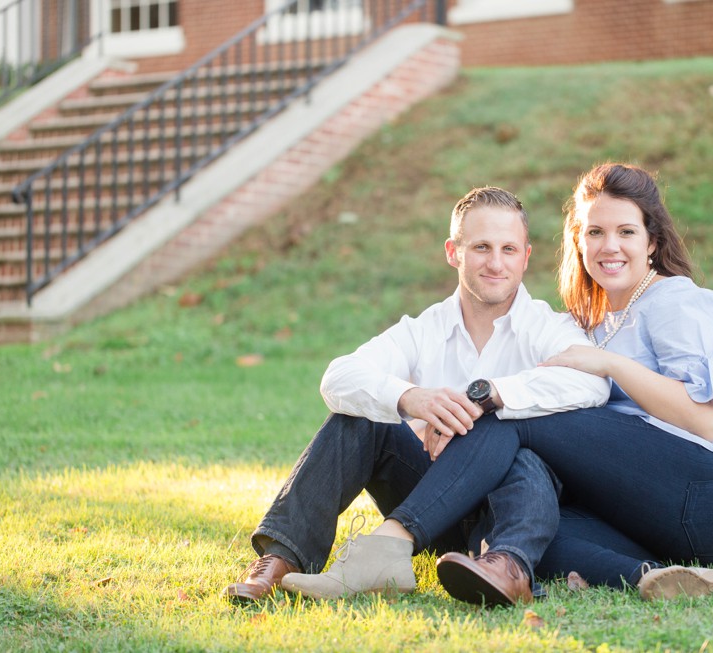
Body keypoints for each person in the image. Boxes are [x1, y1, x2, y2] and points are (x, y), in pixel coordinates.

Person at [223, 186, 610, 605]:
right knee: (357, 418)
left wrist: (484, 401)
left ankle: (505, 565)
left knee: (526, 452)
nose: (496, 263)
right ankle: (280, 560)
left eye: (508, 249)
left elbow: (594, 382)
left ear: (526, 256)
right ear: (453, 251)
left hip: (509, 511)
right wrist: (413, 400)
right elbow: (339, 377)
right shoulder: (423, 329)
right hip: (430, 505)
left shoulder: (547, 327)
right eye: (481, 247)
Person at [422, 163, 713, 604]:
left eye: (626, 232)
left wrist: (609, 365)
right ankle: (654, 577)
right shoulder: (589, 322)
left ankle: (399, 533)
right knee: (518, 529)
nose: (609, 246)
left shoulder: (673, 301)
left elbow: (707, 421)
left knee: (513, 417)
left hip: (705, 493)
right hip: (651, 514)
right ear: (578, 241)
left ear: (652, 241)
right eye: (595, 232)